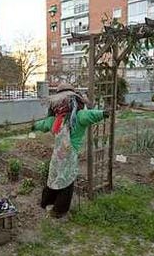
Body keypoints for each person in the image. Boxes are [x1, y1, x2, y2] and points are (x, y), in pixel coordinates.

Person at [33, 83, 109, 218]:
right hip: (64, 156)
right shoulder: (70, 118)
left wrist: (34, 126)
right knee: (65, 182)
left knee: (56, 179)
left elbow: (44, 125)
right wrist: (103, 113)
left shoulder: (65, 118)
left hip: (61, 156)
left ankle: (49, 203)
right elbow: (90, 115)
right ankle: (57, 209)